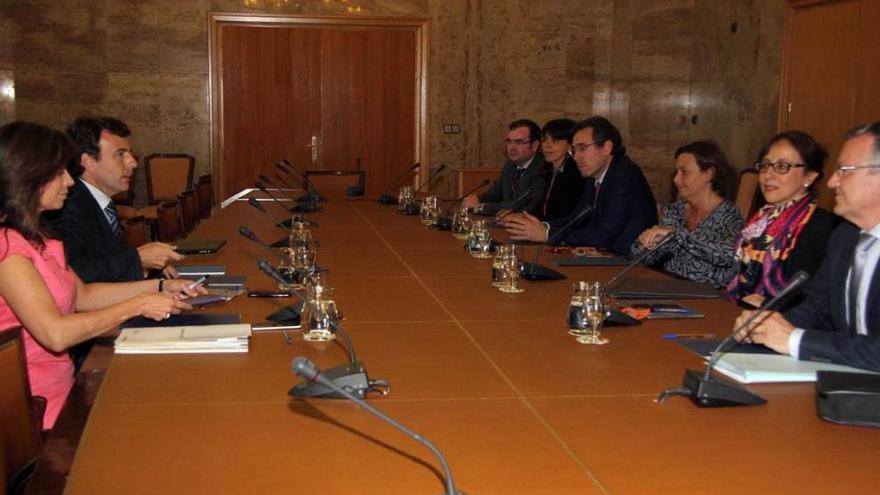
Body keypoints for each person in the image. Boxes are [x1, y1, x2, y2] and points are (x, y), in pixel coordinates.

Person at [0, 121, 201, 429]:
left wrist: (161, 285)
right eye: (58, 173)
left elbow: (84, 295)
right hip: (37, 414)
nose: (69, 180)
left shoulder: (39, 237)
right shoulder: (7, 250)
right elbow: (56, 334)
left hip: (67, 389)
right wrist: (139, 305)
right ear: (29, 178)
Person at [734, 121, 880, 371]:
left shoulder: (826, 228)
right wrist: (766, 325)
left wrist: (795, 339)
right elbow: (817, 308)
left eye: (844, 170)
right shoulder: (846, 236)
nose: (833, 181)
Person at [46, 116, 183, 284]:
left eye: (130, 154)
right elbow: (74, 274)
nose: (132, 163)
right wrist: (137, 260)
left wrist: (147, 266)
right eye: (120, 155)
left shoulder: (99, 201)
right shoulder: (67, 207)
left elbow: (108, 259)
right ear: (88, 162)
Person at [501, 116, 657, 254]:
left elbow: (606, 234)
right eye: (574, 150)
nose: (576, 157)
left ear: (606, 147)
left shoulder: (624, 175)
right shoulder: (595, 175)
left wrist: (547, 234)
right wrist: (541, 226)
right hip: (607, 256)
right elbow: (576, 219)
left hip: (629, 261)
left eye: (582, 149)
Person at [726, 130, 839, 307]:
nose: (768, 175)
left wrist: (767, 303)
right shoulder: (759, 220)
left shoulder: (823, 227)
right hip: (741, 313)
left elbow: (813, 299)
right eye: (765, 165)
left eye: (781, 167)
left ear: (809, 176)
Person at [631, 141, 743, 287]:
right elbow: (645, 259)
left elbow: (731, 255)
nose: (676, 179)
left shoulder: (729, 215)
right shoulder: (675, 211)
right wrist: (645, 244)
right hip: (669, 290)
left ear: (709, 174)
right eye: (676, 172)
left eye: (684, 172)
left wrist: (678, 236)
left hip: (709, 299)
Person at [461, 119, 546, 216]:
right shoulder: (510, 166)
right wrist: (475, 200)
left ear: (535, 145)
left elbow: (521, 206)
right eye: (509, 141)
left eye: (519, 142)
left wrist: (480, 207)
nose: (512, 147)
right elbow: (492, 196)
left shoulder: (542, 169)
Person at [537, 118, 586, 221]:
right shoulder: (547, 170)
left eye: (555, 141)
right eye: (545, 139)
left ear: (570, 145)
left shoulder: (577, 175)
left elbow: (568, 216)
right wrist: (519, 217)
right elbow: (541, 208)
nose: (546, 146)